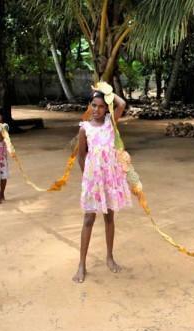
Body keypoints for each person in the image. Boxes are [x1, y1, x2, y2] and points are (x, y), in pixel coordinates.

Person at [72, 87, 131, 283]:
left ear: (107, 109)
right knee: (88, 219)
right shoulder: (84, 129)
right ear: (89, 106)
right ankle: (81, 264)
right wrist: (88, 179)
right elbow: (81, 156)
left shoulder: (110, 124)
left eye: (101, 107)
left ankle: (110, 256)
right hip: (92, 182)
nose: (96, 110)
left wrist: (105, 90)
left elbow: (122, 104)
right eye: (93, 105)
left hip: (109, 180)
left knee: (109, 218)